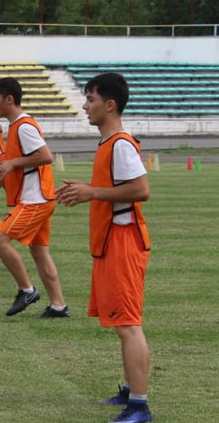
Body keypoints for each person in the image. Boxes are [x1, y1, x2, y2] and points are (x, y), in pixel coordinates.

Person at [55, 73, 152, 423]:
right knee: (121, 322)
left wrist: (92, 192)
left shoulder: (121, 144)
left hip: (124, 243)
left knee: (128, 324)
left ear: (109, 105)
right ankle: (130, 391)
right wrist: (88, 189)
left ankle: (139, 407)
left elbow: (141, 190)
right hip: (112, 242)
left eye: (91, 99)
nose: (85, 105)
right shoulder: (109, 144)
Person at [0, 77, 68, 317]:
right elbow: (24, 163)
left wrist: (13, 163)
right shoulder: (17, 125)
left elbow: (45, 156)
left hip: (36, 199)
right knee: (40, 252)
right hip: (40, 198)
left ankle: (27, 290)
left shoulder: (23, 126)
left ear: (9, 99)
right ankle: (58, 306)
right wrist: (2, 179)